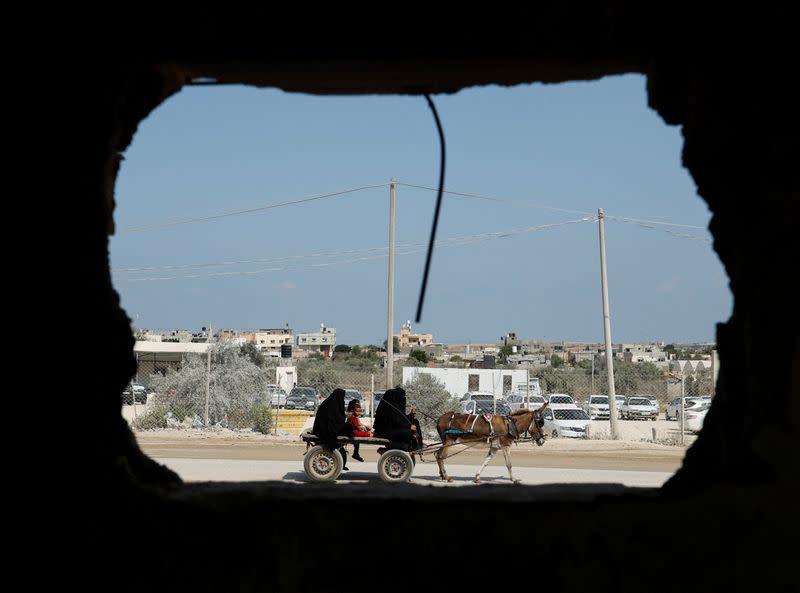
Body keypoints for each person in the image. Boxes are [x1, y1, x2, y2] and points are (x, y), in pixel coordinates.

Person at [312, 388, 353, 470]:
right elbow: (336, 422)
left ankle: (341, 464)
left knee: (348, 427)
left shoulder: (330, 402)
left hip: (323, 428)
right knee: (349, 427)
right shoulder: (333, 405)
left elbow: (337, 420)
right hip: (325, 430)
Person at [372, 387, 414, 452]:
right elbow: (397, 422)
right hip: (385, 433)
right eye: (402, 396)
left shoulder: (395, 406)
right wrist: (409, 427)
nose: (403, 398)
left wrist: (411, 415)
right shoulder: (390, 408)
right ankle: (397, 448)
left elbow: (401, 419)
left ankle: (413, 446)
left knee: (415, 422)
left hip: (390, 431)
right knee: (407, 432)